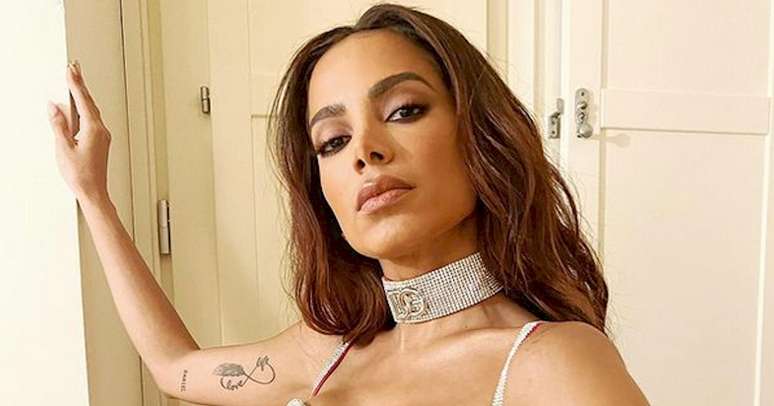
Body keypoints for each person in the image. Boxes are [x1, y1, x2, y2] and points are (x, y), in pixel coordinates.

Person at [47, 3, 650, 405]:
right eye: (333, 141)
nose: (365, 151)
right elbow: (173, 368)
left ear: (481, 137)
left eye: (404, 110)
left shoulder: (550, 364)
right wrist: (95, 197)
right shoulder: (325, 351)